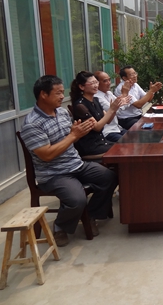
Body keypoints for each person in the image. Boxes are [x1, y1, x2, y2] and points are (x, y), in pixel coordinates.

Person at [20, 75, 118, 247]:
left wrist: (77, 133)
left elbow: (72, 137)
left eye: (62, 92)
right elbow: (46, 155)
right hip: (54, 173)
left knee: (110, 176)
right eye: (58, 93)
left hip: (76, 164)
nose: (62, 96)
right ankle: (60, 227)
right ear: (43, 94)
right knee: (77, 199)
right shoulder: (32, 124)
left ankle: (91, 215)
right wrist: (73, 135)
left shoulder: (63, 112)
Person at [69, 71, 125, 156]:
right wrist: (111, 109)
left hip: (102, 141)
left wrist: (114, 109)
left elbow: (108, 120)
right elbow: (97, 127)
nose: (96, 85)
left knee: (126, 145)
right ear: (81, 87)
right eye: (92, 83)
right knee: (123, 149)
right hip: (91, 146)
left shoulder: (95, 100)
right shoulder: (80, 105)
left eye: (96, 82)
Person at [114, 65, 163, 130]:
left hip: (138, 115)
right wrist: (151, 91)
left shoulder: (135, 85)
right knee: (144, 129)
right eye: (131, 74)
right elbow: (138, 105)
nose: (135, 76)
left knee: (157, 122)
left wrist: (153, 91)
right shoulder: (122, 88)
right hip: (126, 119)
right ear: (124, 78)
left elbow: (148, 99)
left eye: (135, 73)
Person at [93, 71, 131, 143]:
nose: (109, 83)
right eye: (105, 81)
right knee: (128, 142)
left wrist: (123, 98)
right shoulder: (97, 97)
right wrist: (124, 95)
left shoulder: (109, 93)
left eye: (109, 80)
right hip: (108, 131)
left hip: (117, 128)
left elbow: (127, 103)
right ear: (97, 83)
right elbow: (115, 111)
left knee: (135, 136)